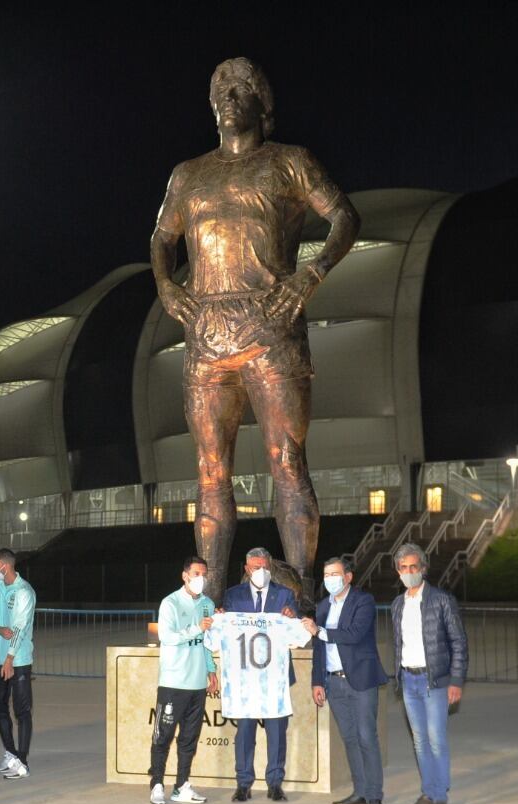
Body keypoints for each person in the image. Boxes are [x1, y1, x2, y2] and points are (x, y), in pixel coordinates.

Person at [149, 57, 361, 605]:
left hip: (272, 328)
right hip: (205, 333)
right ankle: (210, 594)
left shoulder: (288, 162)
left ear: (263, 106)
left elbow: (344, 216)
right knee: (210, 471)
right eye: (220, 88)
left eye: (242, 89)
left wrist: (311, 273)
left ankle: (302, 590)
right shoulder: (187, 173)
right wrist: (166, 286)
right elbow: (161, 238)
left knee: (286, 460)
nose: (229, 97)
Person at [301, 558, 388, 804]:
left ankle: (375, 796)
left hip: (360, 680)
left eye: (335, 574)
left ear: (348, 577)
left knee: (366, 737)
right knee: (349, 738)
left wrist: (320, 631)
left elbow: (354, 634)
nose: (330, 579)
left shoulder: (363, 601)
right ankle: (360, 791)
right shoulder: (323, 606)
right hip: (333, 682)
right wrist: (317, 681)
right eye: (326, 574)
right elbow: (319, 649)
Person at [391, 542, 467, 804]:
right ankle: (428, 794)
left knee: (436, 740)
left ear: (423, 568)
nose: (409, 572)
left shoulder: (441, 600)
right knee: (420, 742)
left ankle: (440, 799)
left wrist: (456, 680)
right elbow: (400, 644)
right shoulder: (399, 604)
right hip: (409, 681)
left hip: (434, 681)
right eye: (403, 568)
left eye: (413, 567)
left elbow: (459, 643)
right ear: (398, 571)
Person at [221, 547, 298, 802]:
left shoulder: (286, 594)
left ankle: (275, 783)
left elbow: (294, 630)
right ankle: (243, 783)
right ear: (246, 569)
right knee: (244, 734)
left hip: (275, 679)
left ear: (271, 567)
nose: (260, 571)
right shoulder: (233, 596)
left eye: (264, 567)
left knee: (276, 732)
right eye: (255, 567)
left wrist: (293, 617)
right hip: (245, 680)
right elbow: (228, 632)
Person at [148, 556, 219, 804]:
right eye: (196, 573)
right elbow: (167, 636)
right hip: (174, 681)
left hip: (198, 683)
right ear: (185, 575)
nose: (201, 578)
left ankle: (182, 785)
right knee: (163, 735)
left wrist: (211, 670)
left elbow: (208, 643)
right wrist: (198, 628)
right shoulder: (170, 603)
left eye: (204, 574)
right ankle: (157, 784)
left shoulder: (208, 604)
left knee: (189, 737)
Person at [0, 548, 36, 779]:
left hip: (19, 660)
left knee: (22, 711)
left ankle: (22, 761)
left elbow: (20, 626)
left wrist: (10, 658)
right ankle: (11, 754)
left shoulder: (24, 591)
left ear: (5, 565)